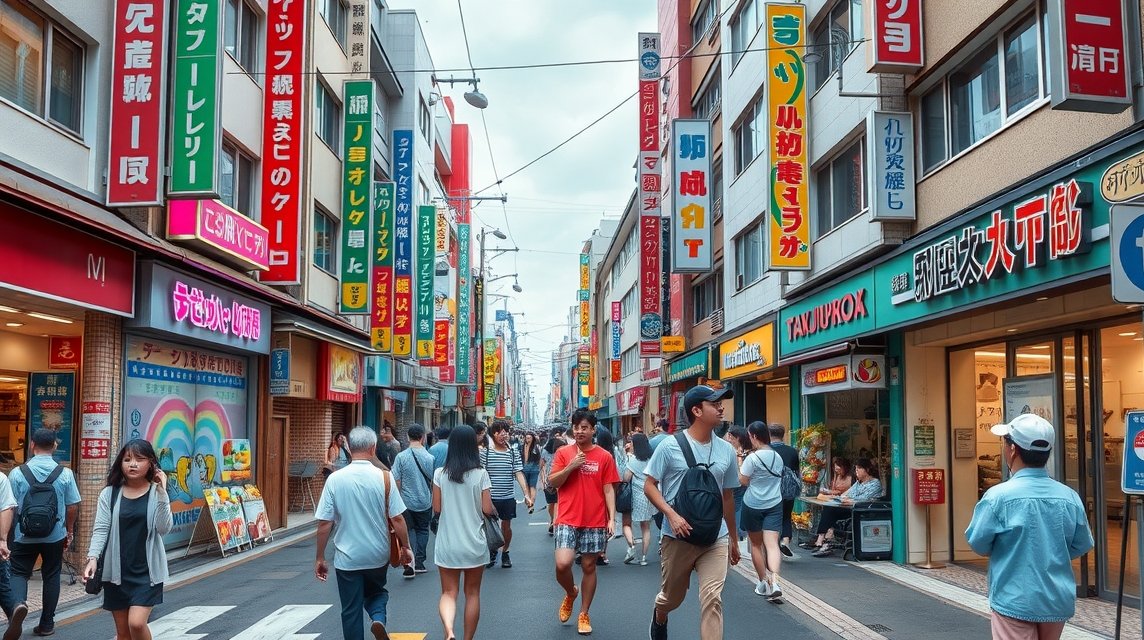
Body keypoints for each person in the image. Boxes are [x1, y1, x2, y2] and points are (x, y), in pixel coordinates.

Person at [966, 415, 1093, 640]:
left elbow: (978, 542)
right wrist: (1052, 553)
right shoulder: (1069, 496)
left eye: (1004, 443)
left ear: (1012, 449)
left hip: (1014, 597)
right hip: (1056, 599)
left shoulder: (997, 497)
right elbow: (1082, 543)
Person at [645, 385, 741, 640]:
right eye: (714, 404)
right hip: (678, 536)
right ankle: (660, 614)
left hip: (715, 535)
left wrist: (733, 538)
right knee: (671, 598)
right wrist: (671, 515)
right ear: (696, 410)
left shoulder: (726, 450)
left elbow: (727, 496)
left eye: (721, 403)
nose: (721, 407)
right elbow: (649, 485)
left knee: (712, 599)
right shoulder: (669, 446)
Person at [315, 426, 413, 640]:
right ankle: (378, 617)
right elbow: (397, 519)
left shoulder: (335, 479)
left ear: (348, 448)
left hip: (347, 558)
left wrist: (320, 557)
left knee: (350, 609)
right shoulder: (384, 478)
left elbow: (324, 523)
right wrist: (406, 547)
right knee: (376, 592)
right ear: (373, 447)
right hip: (378, 554)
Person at [82, 439, 173, 640]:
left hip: (147, 572)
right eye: (127, 459)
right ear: (120, 463)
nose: (132, 464)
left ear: (151, 463)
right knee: (123, 634)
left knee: (137, 624)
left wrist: (162, 491)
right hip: (116, 572)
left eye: (139, 459)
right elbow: (101, 528)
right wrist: (92, 558)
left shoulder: (155, 493)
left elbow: (164, 528)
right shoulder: (110, 494)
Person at [547, 410, 619, 636]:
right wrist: (571, 466)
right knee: (562, 563)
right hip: (567, 516)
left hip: (594, 519)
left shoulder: (604, 456)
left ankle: (584, 613)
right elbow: (552, 482)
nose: (579, 431)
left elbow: (609, 488)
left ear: (593, 430)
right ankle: (571, 592)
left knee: (589, 566)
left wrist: (611, 517)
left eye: (584, 427)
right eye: (576, 427)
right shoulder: (563, 453)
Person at [8, 428, 81, 637]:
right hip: (54, 535)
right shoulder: (65, 474)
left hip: (23, 535)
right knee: (51, 575)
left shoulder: (17, 473)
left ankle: (18, 607)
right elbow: (72, 506)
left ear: (32, 444)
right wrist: (69, 531)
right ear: (55, 446)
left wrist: (8, 535)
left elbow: (9, 507)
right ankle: (47, 624)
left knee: (18, 573)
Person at [433, 425, 495, 640]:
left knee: (448, 593)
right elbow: (487, 509)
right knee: (472, 593)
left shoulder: (440, 474)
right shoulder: (481, 474)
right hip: (474, 543)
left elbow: (437, 508)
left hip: (448, 542)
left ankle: (449, 631)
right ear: (472, 446)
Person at [738, 423, 784, 601]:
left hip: (753, 504)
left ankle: (763, 582)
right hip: (774, 503)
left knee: (756, 545)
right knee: (772, 545)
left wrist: (741, 462)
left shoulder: (752, 459)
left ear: (754, 436)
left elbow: (743, 481)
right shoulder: (777, 457)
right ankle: (776, 582)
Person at [482, 420, 532, 569]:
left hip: (507, 496)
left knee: (506, 525)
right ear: (493, 434)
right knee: (490, 526)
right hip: (490, 496)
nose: (503, 434)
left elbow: (518, 473)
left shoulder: (513, 452)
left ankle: (505, 552)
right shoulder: (486, 452)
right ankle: (492, 551)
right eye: (499, 431)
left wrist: (526, 494)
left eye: (505, 431)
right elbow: (480, 474)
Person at [811, 458, 883, 557]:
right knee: (828, 508)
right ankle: (823, 538)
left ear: (867, 470)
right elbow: (845, 494)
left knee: (830, 511)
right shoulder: (858, 483)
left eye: (858, 469)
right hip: (851, 507)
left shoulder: (875, 483)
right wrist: (843, 498)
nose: (856, 472)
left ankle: (823, 539)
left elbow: (863, 499)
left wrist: (848, 499)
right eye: (856, 469)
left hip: (862, 510)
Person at [391, 424, 435, 577]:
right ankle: (420, 562)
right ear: (423, 438)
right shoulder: (430, 458)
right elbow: (433, 482)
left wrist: (397, 498)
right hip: (425, 501)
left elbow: (396, 480)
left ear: (408, 437)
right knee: (423, 530)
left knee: (409, 531)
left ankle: (410, 562)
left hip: (405, 502)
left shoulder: (401, 457)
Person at [622, 432, 656, 566]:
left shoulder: (633, 461)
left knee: (632, 523)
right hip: (651, 494)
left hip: (638, 495)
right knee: (646, 527)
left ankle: (632, 548)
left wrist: (627, 456)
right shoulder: (652, 459)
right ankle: (643, 557)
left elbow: (626, 478)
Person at [766, 423, 799, 558]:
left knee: (770, 517)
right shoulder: (792, 451)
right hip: (788, 491)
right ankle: (785, 541)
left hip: (770, 491)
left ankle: (771, 545)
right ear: (783, 434)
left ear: (769, 434)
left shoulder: (766, 450)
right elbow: (797, 471)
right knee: (786, 516)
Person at [723, 425, 751, 541]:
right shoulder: (747, 451)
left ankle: (737, 532)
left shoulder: (731, 450)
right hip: (742, 482)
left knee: (735, 505)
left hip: (734, 481)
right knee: (738, 505)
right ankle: (739, 532)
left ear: (733, 437)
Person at [540, 427, 564, 536]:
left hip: (561, 478)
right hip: (548, 480)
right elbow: (541, 465)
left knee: (558, 502)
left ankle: (555, 522)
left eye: (560, 436)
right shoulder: (546, 450)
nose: (558, 438)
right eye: (556, 436)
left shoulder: (565, 449)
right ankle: (552, 520)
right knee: (551, 503)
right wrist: (543, 479)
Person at [520, 432, 541, 514]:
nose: (527, 439)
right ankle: (531, 503)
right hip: (531, 469)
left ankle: (530, 503)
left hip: (529, 469)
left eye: (529, 438)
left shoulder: (524, 447)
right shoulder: (536, 447)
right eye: (527, 438)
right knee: (530, 486)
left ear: (532, 439)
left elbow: (524, 459)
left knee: (530, 486)